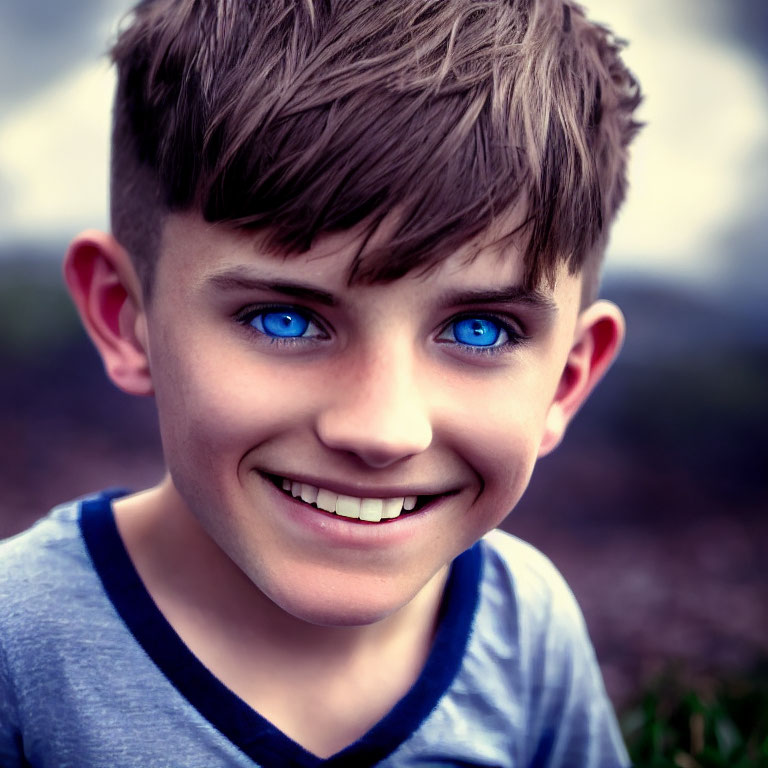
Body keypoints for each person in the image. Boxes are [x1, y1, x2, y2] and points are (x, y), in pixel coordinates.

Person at [0, 0, 643, 765]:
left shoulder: (526, 627)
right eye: (284, 320)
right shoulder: (19, 646)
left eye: (480, 330)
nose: (381, 429)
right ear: (124, 316)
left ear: (567, 378)